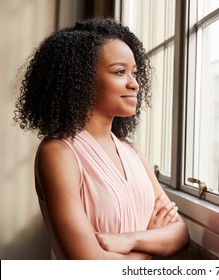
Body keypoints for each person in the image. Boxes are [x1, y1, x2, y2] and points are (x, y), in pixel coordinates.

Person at [14, 18, 190, 260]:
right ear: (83, 80)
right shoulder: (58, 153)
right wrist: (152, 244)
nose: (135, 84)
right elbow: (90, 262)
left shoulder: (133, 152)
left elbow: (180, 232)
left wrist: (130, 239)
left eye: (135, 73)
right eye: (120, 72)